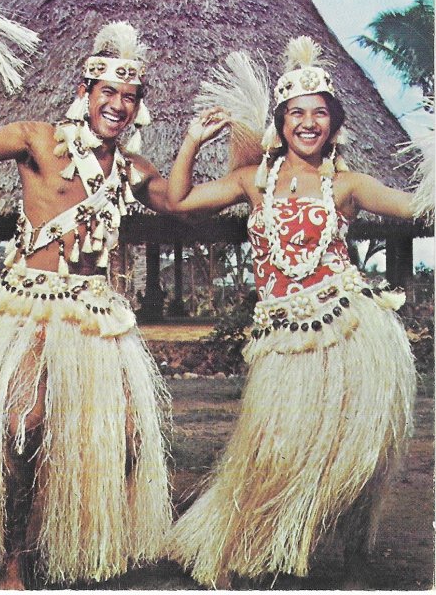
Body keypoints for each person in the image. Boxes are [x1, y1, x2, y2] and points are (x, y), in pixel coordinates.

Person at [165, 36, 420, 589]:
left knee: (359, 455)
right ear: (279, 122)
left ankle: (355, 568)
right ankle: (232, 550)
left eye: (319, 113)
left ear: (334, 122)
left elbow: (412, 206)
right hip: (282, 340)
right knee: (271, 452)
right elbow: (177, 201)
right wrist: (190, 142)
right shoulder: (252, 181)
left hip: (350, 331)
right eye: (296, 114)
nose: (308, 123)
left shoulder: (348, 184)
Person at [0, 20, 172, 589]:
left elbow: (179, 200)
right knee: (24, 426)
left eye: (129, 97)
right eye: (107, 93)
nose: (116, 105)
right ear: (85, 93)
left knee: (132, 439)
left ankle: (88, 544)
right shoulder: (40, 139)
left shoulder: (132, 170)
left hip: (94, 312)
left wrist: (195, 146)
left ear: (138, 109)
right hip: (31, 308)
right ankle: (13, 560)